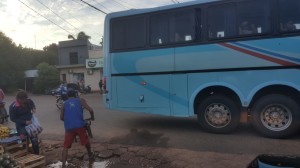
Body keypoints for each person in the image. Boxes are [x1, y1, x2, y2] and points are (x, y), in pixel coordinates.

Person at [60, 88, 95, 168]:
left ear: (67, 96)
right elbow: (91, 109)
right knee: (86, 141)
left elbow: (61, 117)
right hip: (79, 126)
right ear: (75, 94)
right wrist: (92, 117)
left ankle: (63, 165)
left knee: (65, 146)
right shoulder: (80, 100)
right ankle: (90, 155)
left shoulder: (64, 104)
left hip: (69, 127)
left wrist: (69, 121)